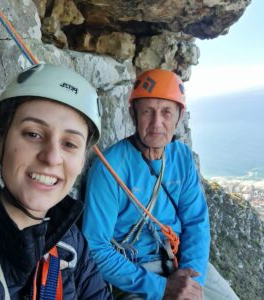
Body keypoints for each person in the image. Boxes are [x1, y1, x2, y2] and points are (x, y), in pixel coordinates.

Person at [82, 69, 239, 300]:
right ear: (133, 115)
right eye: (147, 111)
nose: (157, 123)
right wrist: (161, 288)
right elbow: (95, 246)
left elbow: (196, 223)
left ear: (179, 115)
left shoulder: (181, 158)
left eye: (166, 112)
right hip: (135, 272)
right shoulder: (110, 167)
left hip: (183, 263)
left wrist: (191, 282)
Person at [0, 63, 111, 299]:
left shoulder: (72, 243)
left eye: (70, 144)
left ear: (82, 162)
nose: (52, 157)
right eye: (33, 134)